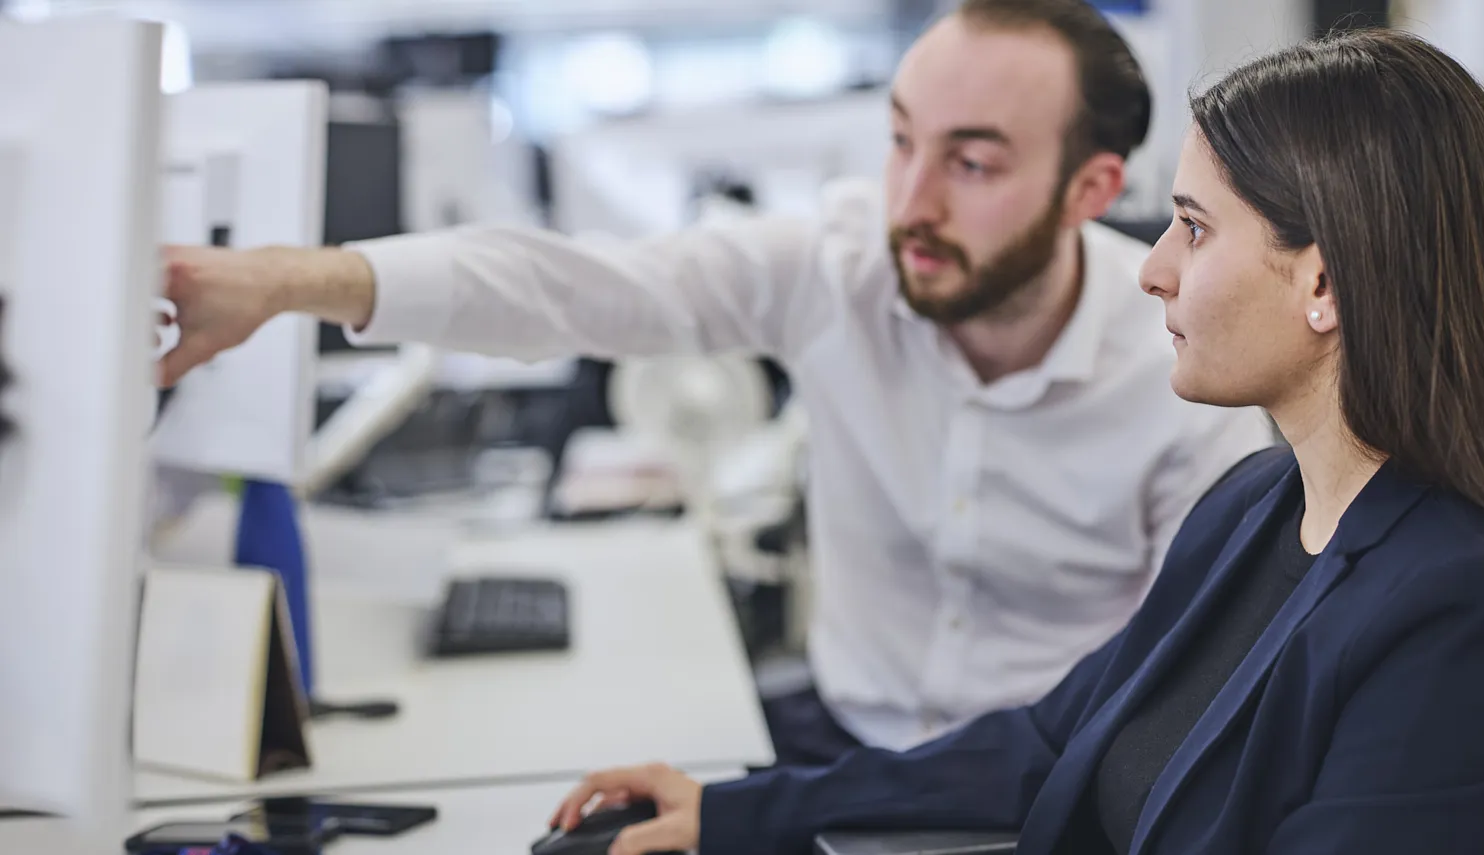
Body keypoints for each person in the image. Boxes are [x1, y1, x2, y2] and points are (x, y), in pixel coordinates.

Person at [546, 28, 1484, 855]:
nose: (1149, 268)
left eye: (1192, 228)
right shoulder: (1254, 508)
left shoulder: (1463, 620)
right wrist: (729, 814)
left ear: (1323, 281)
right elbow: (1051, 743)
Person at [156, 0, 1272, 765]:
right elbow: (580, 289)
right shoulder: (841, 266)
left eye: (970, 163)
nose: (909, 201)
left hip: (1052, 780)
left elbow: (1171, 704)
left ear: (1091, 188)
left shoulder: (1182, 372)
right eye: (898, 143)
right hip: (845, 731)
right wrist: (277, 282)